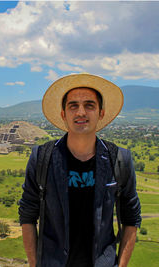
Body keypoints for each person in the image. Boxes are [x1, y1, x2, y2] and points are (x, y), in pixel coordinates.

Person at [19, 73, 141, 267]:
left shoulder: (118, 159)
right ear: (63, 114)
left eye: (89, 105)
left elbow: (132, 218)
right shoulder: (42, 158)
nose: (81, 112)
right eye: (73, 105)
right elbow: (28, 215)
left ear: (101, 113)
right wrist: (34, 264)